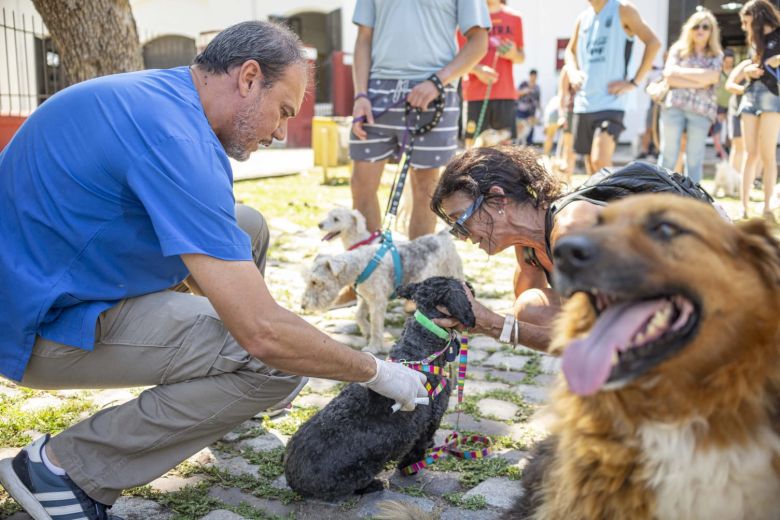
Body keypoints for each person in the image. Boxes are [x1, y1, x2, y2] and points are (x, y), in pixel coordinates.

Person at [0, 21, 430, 519]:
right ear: (249, 78)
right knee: (275, 364)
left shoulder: (163, 97)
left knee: (247, 227)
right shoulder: (177, 140)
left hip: (45, 275)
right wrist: (377, 370)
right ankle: (65, 470)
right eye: (283, 111)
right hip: (33, 327)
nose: (280, 132)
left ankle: (215, 394)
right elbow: (265, 335)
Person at [428, 145, 716, 352]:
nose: (461, 236)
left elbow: (603, 337)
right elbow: (528, 318)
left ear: (497, 199)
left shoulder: (571, 228)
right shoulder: (529, 247)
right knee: (530, 307)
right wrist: (471, 316)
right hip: (658, 313)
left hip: (711, 309)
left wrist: (490, 325)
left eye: (460, 221)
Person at [349, 0, 491, 240]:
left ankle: (416, 273)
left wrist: (438, 81)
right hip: (376, 92)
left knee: (426, 190)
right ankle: (372, 271)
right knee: (361, 184)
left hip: (434, 91)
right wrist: (360, 95)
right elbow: (364, 38)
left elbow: (479, 42)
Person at [565, 0, 660, 175]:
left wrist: (633, 82)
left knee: (599, 160)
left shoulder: (623, 9)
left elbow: (653, 43)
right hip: (584, 102)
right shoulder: (583, 18)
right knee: (591, 168)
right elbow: (569, 51)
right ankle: (601, 203)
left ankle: (618, 199)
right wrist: (573, 72)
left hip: (611, 101)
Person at [657, 9, 723, 185]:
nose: (700, 30)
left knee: (695, 158)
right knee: (668, 154)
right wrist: (701, 81)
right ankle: (660, 191)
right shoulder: (677, 49)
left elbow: (714, 77)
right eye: (696, 26)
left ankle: (692, 198)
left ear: (712, 31)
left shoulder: (717, 54)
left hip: (701, 111)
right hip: (674, 106)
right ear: (689, 29)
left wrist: (682, 76)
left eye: (705, 26)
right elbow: (669, 75)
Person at [460, 0, 525, 148]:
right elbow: (456, 56)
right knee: (473, 149)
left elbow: (521, 56)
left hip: (505, 93)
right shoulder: (468, 17)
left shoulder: (515, 17)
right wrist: (477, 69)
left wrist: (513, 53)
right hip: (475, 94)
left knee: (506, 151)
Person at [736, 0, 780, 220]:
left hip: (772, 97)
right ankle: (743, 207)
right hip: (750, 95)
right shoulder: (754, 39)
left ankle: (767, 207)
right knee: (750, 153)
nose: (744, 26)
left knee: (767, 154)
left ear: (757, 15)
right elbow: (752, 66)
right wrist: (750, 71)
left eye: (746, 20)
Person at [515, 69, 540, 144]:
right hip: (521, 111)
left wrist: (538, 113)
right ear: (530, 76)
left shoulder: (537, 87)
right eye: (532, 76)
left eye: (535, 76)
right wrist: (525, 91)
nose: (533, 78)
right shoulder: (523, 84)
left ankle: (529, 146)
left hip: (531, 112)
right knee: (520, 129)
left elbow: (538, 100)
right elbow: (516, 93)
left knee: (530, 130)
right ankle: (517, 145)